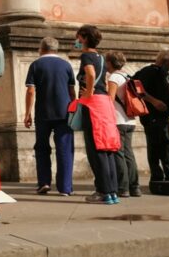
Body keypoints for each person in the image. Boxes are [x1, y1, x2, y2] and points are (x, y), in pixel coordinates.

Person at [73, 25, 120, 205]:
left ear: (84, 38)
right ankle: (112, 191)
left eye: (78, 37)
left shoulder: (86, 56)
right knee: (107, 147)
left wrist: (89, 93)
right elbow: (105, 78)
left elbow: (90, 73)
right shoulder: (101, 57)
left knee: (95, 149)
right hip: (104, 103)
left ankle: (103, 191)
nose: (76, 41)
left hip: (92, 105)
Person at [24, 37, 76, 196]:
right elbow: (71, 91)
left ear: (41, 48)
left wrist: (27, 113)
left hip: (43, 112)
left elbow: (31, 91)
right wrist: (74, 108)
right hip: (64, 112)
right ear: (56, 49)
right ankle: (65, 188)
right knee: (65, 149)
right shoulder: (66, 65)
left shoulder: (36, 65)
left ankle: (44, 183)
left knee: (41, 148)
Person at [133, 49, 169, 182]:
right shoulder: (150, 71)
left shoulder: (163, 74)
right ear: (163, 61)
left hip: (163, 116)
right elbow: (138, 90)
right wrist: (154, 101)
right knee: (155, 145)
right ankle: (157, 176)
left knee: (166, 144)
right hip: (152, 116)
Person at [105, 51, 142, 198]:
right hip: (130, 120)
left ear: (110, 62)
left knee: (119, 154)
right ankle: (135, 187)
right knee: (129, 154)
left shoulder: (114, 77)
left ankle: (123, 188)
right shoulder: (127, 76)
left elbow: (110, 99)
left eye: (106, 61)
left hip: (118, 120)